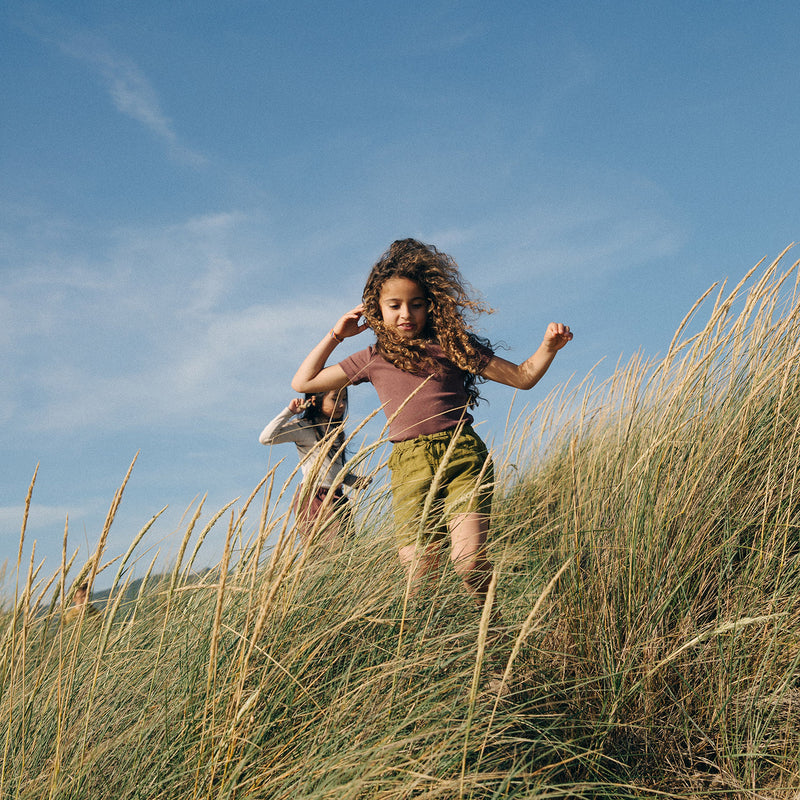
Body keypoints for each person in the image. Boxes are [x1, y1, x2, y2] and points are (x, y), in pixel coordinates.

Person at [291, 238, 572, 608]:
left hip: (461, 455)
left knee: (469, 563)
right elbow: (304, 382)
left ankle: (498, 631)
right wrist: (335, 336)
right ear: (377, 309)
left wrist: (548, 347)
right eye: (394, 306)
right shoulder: (372, 357)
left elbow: (522, 377)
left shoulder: (453, 346)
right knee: (420, 582)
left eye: (416, 304)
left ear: (431, 306)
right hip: (409, 466)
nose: (405, 314)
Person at [259, 388, 371, 550]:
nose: (341, 405)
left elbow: (335, 469)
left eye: (344, 399)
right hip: (313, 497)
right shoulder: (304, 427)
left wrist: (354, 481)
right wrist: (290, 411)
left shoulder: (336, 431)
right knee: (324, 551)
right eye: (335, 399)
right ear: (316, 400)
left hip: (336, 495)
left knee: (347, 548)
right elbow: (266, 438)